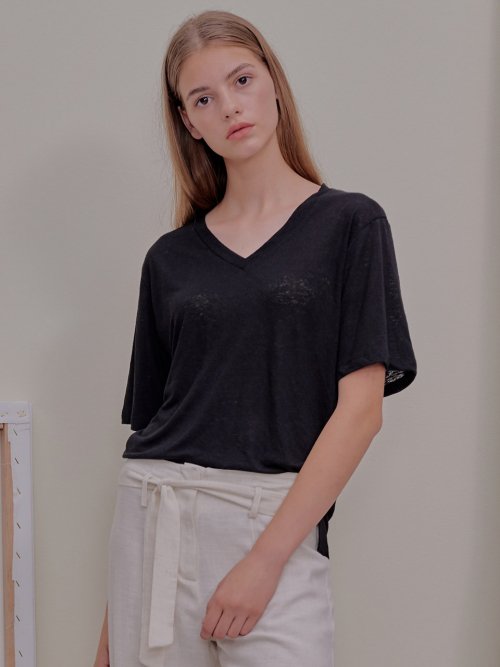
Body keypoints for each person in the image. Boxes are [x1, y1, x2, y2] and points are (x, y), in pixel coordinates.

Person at [94, 9, 417, 667]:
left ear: (273, 80)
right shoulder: (169, 260)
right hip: (155, 519)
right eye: (203, 98)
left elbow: (361, 412)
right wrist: (110, 641)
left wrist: (265, 561)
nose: (229, 107)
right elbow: (152, 428)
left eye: (241, 80)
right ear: (189, 122)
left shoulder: (350, 225)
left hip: (276, 522)